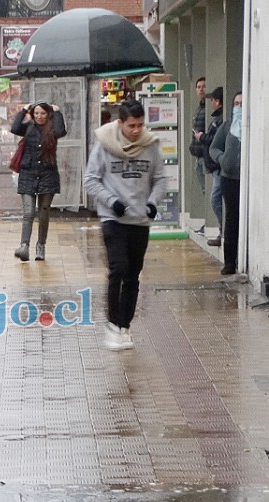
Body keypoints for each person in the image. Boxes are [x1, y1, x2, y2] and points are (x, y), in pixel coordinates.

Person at [83, 100, 167, 351]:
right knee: (118, 268)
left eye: (141, 125)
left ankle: (125, 326)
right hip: (113, 218)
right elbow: (90, 179)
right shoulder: (104, 145)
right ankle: (112, 324)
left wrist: (153, 202)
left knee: (133, 276)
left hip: (140, 220)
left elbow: (161, 179)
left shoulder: (150, 146)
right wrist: (111, 201)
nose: (136, 130)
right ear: (120, 123)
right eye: (132, 125)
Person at [10, 100, 67, 261]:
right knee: (28, 212)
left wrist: (57, 112)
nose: (39, 116)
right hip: (28, 173)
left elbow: (62, 131)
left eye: (43, 113)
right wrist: (23, 111)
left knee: (43, 212)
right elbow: (15, 128)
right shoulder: (28, 127)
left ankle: (41, 245)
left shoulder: (52, 129)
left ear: (48, 114)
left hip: (47, 174)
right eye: (36, 113)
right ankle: (24, 246)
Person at [210, 91, 242, 276]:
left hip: (247, 181)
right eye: (236, 103)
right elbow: (214, 147)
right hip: (229, 179)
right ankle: (229, 261)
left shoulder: (252, 127)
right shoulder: (227, 126)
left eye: (242, 104)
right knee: (231, 216)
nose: (239, 106)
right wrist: (222, 159)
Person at [196, 86, 224, 246]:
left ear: (217, 101)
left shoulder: (220, 120)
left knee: (215, 199)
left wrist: (202, 137)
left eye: (212, 100)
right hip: (213, 165)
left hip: (218, 165)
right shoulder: (216, 118)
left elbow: (215, 141)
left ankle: (223, 231)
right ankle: (222, 230)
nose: (211, 103)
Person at [189, 77, 206, 201]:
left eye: (203, 86)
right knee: (204, 189)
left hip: (205, 156)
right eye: (198, 87)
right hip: (198, 156)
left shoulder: (207, 109)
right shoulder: (199, 109)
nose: (201, 89)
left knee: (208, 190)